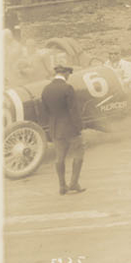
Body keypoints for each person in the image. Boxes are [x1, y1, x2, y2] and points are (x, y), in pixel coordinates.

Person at [41, 64, 86, 195]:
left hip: (55, 128)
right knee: (79, 151)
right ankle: (74, 183)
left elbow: (45, 110)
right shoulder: (67, 88)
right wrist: (79, 127)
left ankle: (62, 186)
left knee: (59, 157)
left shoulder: (46, 89)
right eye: (68, 75)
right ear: (66, 74)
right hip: (70, 128)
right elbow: (74, 110)